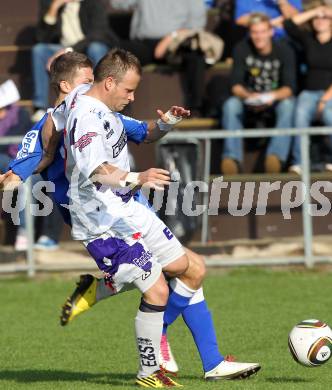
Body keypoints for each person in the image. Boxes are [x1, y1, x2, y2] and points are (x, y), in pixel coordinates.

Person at [50, 48, 260, 386]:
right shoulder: (88, 117)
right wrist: (138, 177)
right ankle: (150, 370)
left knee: (193, 269)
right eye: (128, 90)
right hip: (101, 221)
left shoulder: (95, 101)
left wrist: (166, 123)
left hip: (126, 207)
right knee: (158, 291)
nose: (132, 97)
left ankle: (211, 361)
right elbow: (95, 171)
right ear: (107, 83)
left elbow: (144, 131)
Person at [220, 13, 297, 174]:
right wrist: (249, 97)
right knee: (231, 105)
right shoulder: (241, 48)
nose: (258, 36)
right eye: (254, 32)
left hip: (274, 101)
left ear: (271, 32)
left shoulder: (285, 50)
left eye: (262, 31)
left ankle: (275, 157)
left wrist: (271, 97)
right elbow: (235, 85)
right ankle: (232, 159)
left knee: (289, 105)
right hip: (248, 100)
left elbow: (290, 87)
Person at [110, 0, 208, 117]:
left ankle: (196, 110)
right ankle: (120, 107)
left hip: (178, 42)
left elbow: (197, 26)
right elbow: (117, 3)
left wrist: (172, 37)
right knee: (121, 53)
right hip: (145, 43)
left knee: (196, 56)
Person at [31, 0, 116, 122]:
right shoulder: (52, 4)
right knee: (39, 50)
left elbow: (99, 33)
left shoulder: (93, 3)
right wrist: (53, 10)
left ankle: (104, 99)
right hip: (63, 48)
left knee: (97, 48)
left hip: (86, 48)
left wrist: (70, 50)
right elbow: (41, 38)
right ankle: (40, 107)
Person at [284, 5, 332, 174]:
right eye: (316, 18)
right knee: (300, 111)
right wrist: (315, 11)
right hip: (309, 93)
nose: (320, 20)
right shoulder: (308, 39)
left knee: (329, 114)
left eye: (324, 18)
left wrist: (325, 99)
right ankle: (300, 161)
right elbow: (288, 25)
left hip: (330, 93)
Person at [0, 80, 32, 250]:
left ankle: (24, 233)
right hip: (4, 160)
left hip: (18, 159)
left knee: (23, 180)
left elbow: (13, 142)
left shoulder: (21, 115)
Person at [235, 0, 302, 39]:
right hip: (257, 39)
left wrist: (281, 2)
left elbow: (297, 18)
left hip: (287, 38)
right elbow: (240, 19)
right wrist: (271, 22)